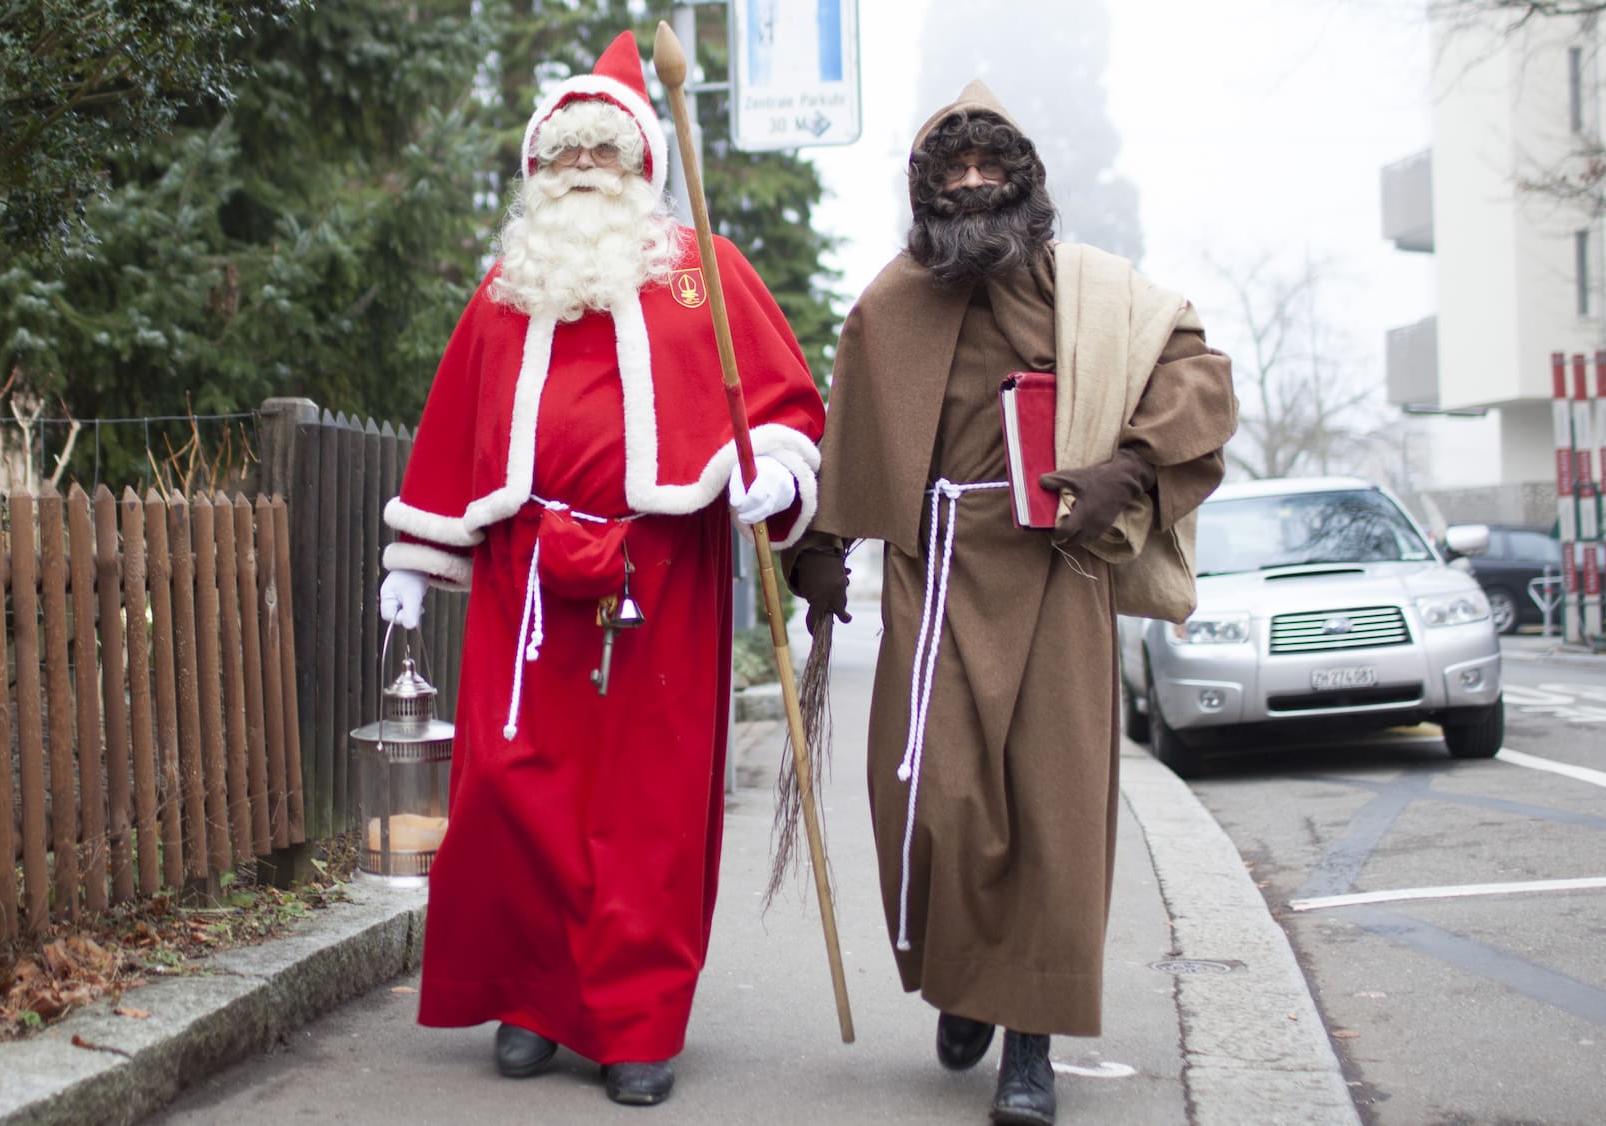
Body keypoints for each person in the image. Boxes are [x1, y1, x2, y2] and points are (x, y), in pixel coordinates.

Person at [374, 30, 825, 1108]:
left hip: (659, 579)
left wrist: (772, 469)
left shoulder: (703, 274)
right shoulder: (506, 289)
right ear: (537, 168)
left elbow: (782, 401)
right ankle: (531, 1002)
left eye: (603, 152)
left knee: (644, 811)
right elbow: (452, 428)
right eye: (564, 152)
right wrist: (418, 556)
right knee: (512, 790)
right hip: (524, 582)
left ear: (643, 166)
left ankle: (634, 1024)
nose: (582, 169)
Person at [786, 81, 1237, 1126]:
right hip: (936, 575)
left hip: (1057, 573)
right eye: (954, 170)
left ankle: (1027, 1046)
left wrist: (1128, 468)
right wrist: (820, 550)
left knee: (1049, 814)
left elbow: (1198, 376)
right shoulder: (889, 305)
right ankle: (965, 981)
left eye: (991, 167)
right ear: (926, 190)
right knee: (935, 803)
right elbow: (849, 429)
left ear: (1024, 181)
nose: (974, 183)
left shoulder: (1096, 294)